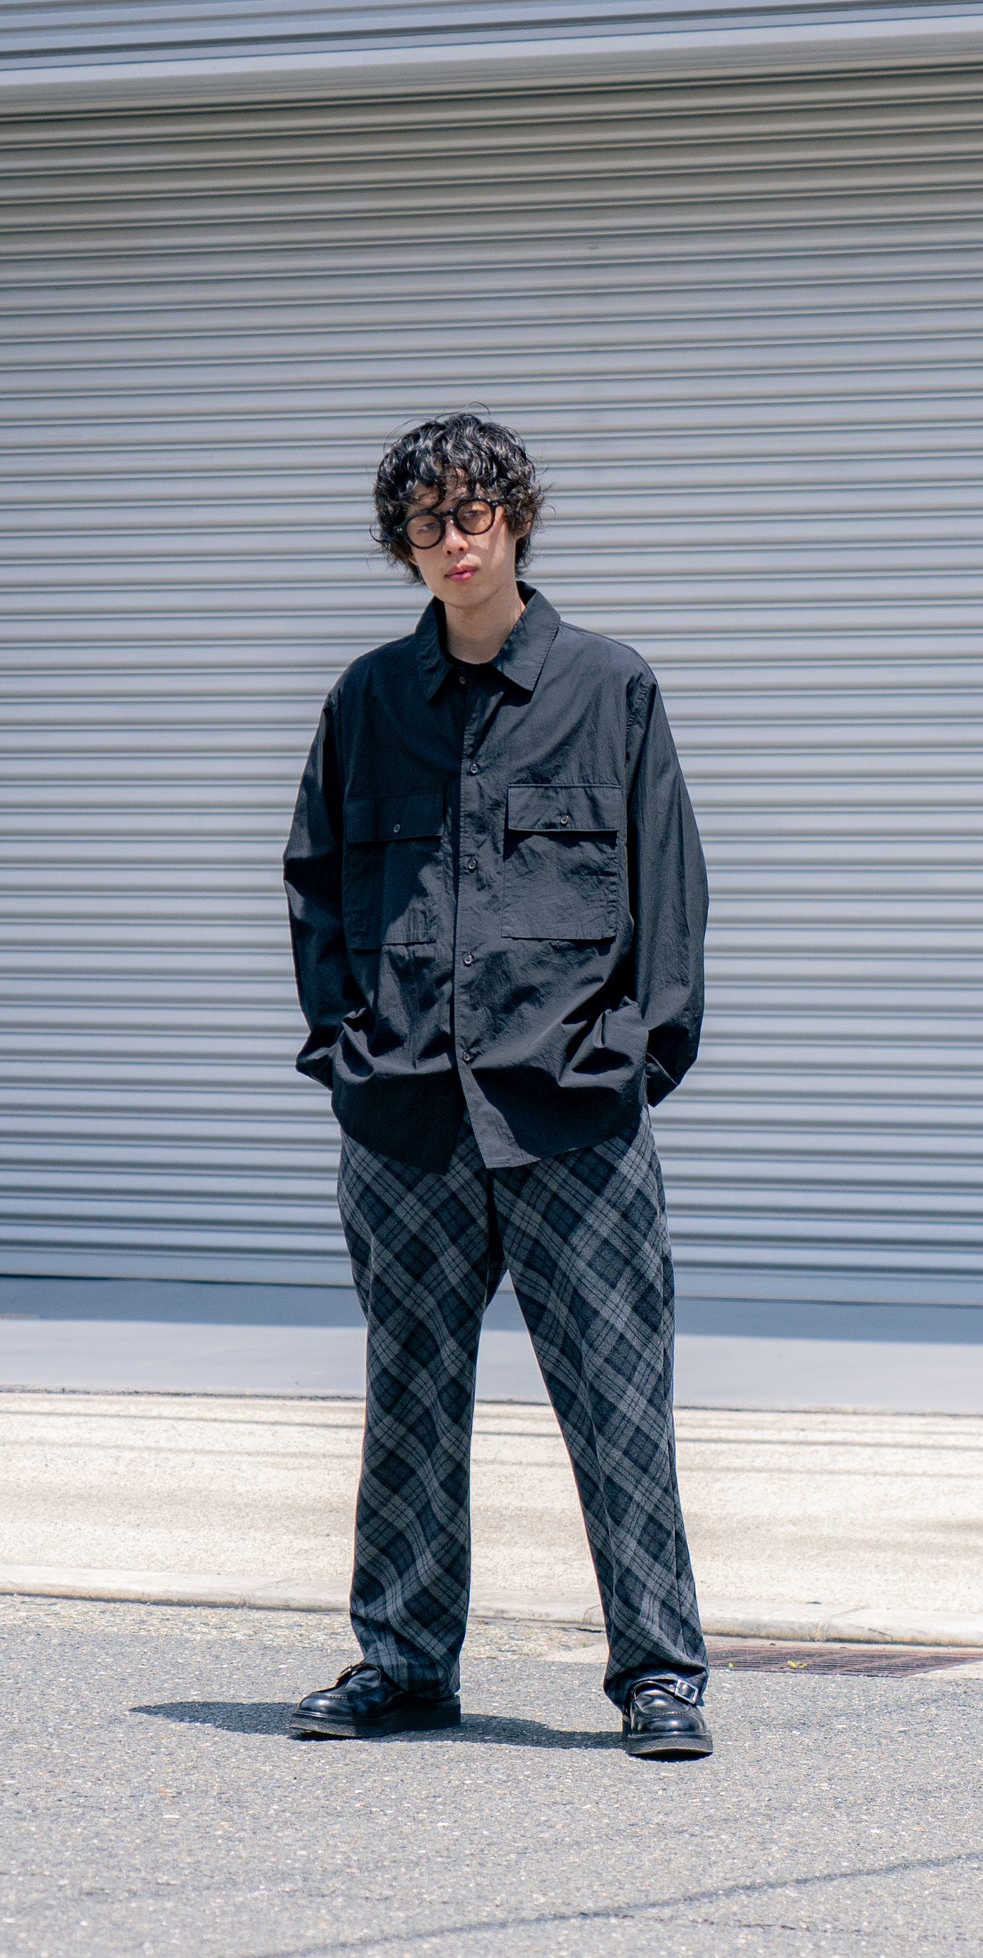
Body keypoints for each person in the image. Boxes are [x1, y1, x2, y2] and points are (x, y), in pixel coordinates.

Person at [282, 413, 711, 1759]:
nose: (453, 543)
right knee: (410, 1399)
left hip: (570, 1110)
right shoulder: (367, 703)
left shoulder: (607, 687)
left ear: (515, 519)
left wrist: (635, 1063)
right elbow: (315, 887)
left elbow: (671, 892)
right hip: (406, 1112)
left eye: (473, 514)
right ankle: (404, 1663)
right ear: (402, 546)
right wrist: (346, 1053)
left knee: (617, 1399)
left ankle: (659, 1674)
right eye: (427, 524)